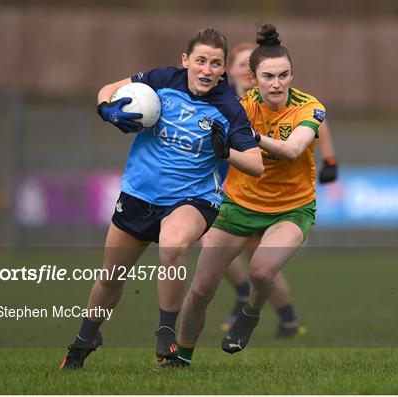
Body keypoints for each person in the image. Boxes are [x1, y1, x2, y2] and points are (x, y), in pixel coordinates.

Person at [59, 28, 263, 370]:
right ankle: (85, 339)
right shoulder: (163, 79)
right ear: (186, 61)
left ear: (223, 67)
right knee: (110, 277)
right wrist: (107, 110)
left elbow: (255, 163)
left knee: (172, 245)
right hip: (139, 195)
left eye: (215, 63)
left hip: (194, 199)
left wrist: (225, 151)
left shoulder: (229, 107)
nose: (207, 69)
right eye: (200, 60)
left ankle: (166, 334)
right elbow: (108, 90)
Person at [163, 24, 326, 368]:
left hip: (291, 209)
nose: (277, 83)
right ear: (253, 77)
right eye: (268, 76)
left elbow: (292, 150)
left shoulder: (309, 107)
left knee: (262, 272)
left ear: (292, 74)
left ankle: (249, 314)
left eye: (283, 75)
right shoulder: (240, 105)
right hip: (238, 205)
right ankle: (183, 357)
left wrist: (248, 136)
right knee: (202, 289)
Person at [220, 41, 339, 338]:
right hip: (235, 192)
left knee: (259, 266)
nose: (274, 81)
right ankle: (275, 313)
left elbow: (308, 134)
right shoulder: (227, 103)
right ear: (236, 71)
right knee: (215, 254)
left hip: (278, 198)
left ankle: (279, 316)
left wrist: (330, 159)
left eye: (281, 75)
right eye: (243, 64)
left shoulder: (298, 104)